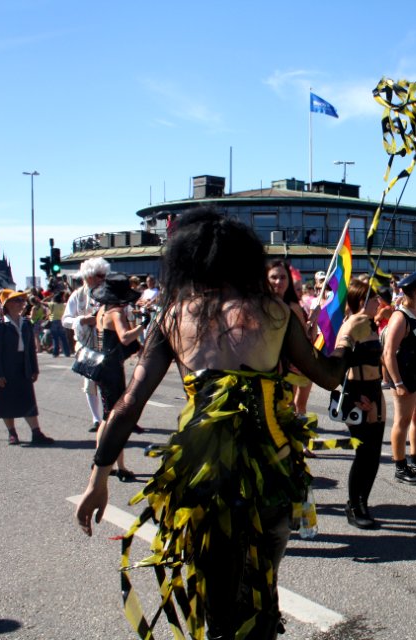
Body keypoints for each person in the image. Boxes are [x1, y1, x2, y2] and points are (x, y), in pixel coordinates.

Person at [76, 209, 371, 639]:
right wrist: (346, 337)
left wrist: (97, 479)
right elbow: (326, 376)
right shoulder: (274, 312)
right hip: (272, 469)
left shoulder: (174, 316)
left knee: (216, 599)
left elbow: (128, 405)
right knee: (262, 588)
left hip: (202, 475)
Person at [338, 279, 386, 529]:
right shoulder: (352, 324)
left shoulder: (371, 325)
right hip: (357, 393)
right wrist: (357, 397)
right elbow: (339, 363)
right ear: (360, 302)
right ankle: (354, 506)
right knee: (364, 453)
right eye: (373, 298)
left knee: (374, 455)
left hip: (375, 391)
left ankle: (362, 503)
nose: (378, 301)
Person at [383, 269, 416, 484]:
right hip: (406, 377)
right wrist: (396, 382)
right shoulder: (400, 316)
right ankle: (400, 466)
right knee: (403, 421)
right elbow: (389, 352)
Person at [92, 273, 144, 481]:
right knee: (115, 418)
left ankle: (103, 460)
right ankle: (117, 465)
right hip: (112, 368)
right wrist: (141, 328)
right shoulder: (116, 312)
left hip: (103, 366)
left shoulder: (102, 310)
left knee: (107, 417)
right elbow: (124, 338)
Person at [0, 289, 53, 446]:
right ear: (7, 304)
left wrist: (34, 368)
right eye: (17, 301)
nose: (22, 304)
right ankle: (12, 433)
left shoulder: (25, 323)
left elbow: (30, 348)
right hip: (5, 367)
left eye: (22, 301)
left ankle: (36, 433)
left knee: (27, 400)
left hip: (22, 366)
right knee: (6, 401)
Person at [62, 258, 110, 432]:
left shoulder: (109, 293)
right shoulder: (78, 295)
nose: (102, 279)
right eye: (99, 276)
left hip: (108, 342)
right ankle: (97, 419)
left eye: (104, 275)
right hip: (87, 344)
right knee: (90, 381)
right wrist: (82, 320)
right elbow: (66, 320)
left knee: (111, 382)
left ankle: (111, 415)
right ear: (89, 276)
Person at [267, 259, 313, 417]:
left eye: (283, 277)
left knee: (287, 408)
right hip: (263, 368)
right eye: (274, 277)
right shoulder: (258, 304)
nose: (278, 281)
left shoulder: (294, 307)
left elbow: (304, 339)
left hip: (287, 368)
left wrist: (313, 322)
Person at [47, 291, 71, 357]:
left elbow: (43, 303)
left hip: (54, 321)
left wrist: (49, 298)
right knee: (63, 338)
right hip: (61, 321)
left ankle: (55, 353)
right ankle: (67, 352)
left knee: (55, 338)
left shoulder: (52, 304)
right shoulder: (63, 305)